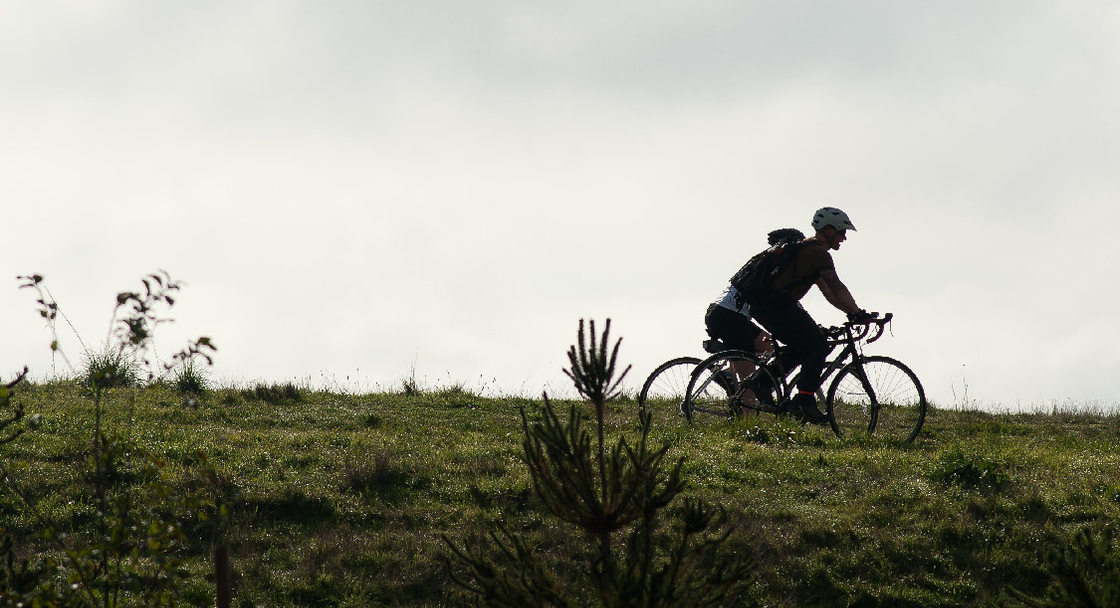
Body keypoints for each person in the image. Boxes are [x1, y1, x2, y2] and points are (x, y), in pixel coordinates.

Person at [748, 207, 873, 424]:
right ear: (828, 230)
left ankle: (763, 382)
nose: (844, 238)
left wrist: (853, 313)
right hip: (774, 306)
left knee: (803, 346)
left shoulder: (808, 249)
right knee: (819, 345)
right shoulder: (818, 254)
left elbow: (831, 295)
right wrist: (858, 314)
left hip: (771, 305)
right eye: (842, 232)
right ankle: (804, 401)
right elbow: (837, 287)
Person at [704, 231, 802, 404]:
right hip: (730, 317)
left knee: (771, 348)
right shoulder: (774, 267)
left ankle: (728, 374)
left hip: (724, 312)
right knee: (750, 383)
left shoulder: (763, 261)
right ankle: (746, 426)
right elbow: (785, 301)